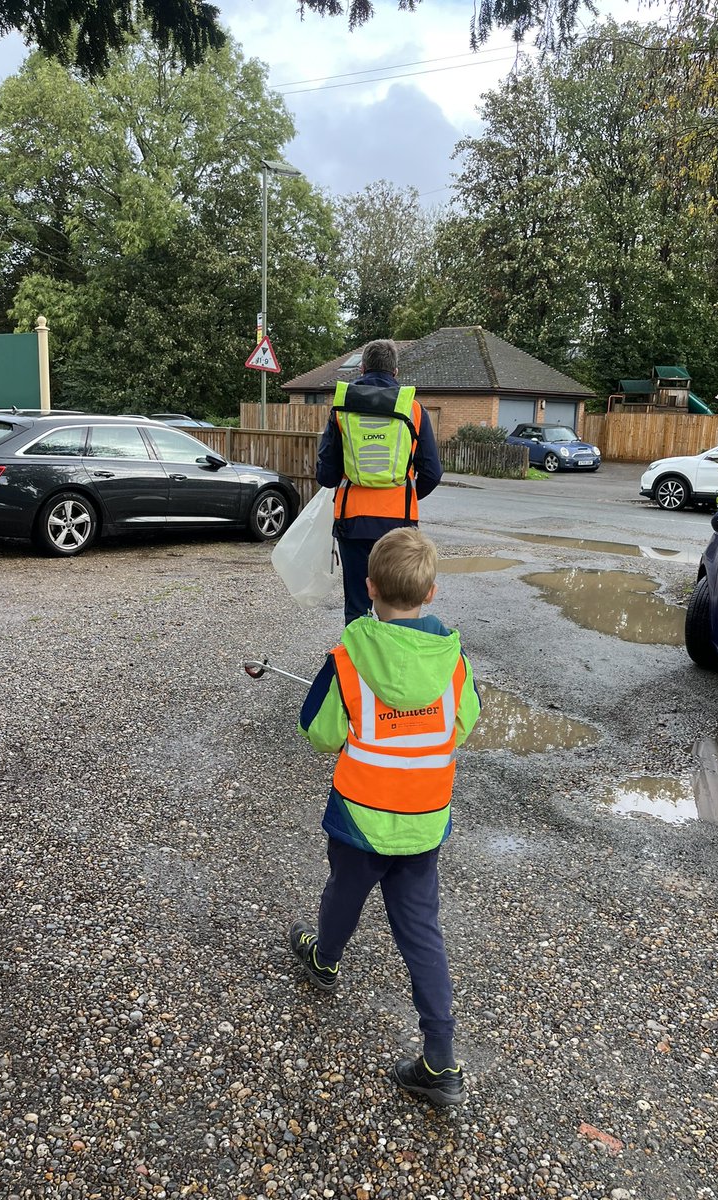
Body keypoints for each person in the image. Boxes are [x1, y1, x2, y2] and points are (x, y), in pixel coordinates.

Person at [290, 527, 481, 1106]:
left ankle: (324, 959)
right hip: (423, 819)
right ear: (432, 593)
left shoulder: (348, 657)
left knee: (344, 893)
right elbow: (463, 725)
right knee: (422, 929)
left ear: (369, 588)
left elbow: (318, 732)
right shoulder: (452, 661)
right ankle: (441, 1060)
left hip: (359, 817)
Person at [315, 338, 443, 624]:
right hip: (399, 523)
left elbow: (326, 475)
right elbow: (433, 472)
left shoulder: (341, 409)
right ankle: (391, 663)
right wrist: (406, 494)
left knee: (358, 606)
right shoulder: (415, 410)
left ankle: (358, 665)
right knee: (399, 602)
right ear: (395, 372)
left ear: (361, 369)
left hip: (353, 522)